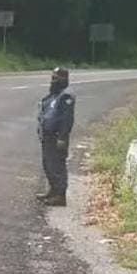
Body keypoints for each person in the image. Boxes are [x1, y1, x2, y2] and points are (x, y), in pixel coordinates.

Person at [36, 67, 75, 206]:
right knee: (48, 164)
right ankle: (53, 191)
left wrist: (62, 137)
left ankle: (60, 195)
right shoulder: (54, 95)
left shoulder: (66, 96)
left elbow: (67, 119)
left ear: (64, 80)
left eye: (56, 78)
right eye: (52, 78)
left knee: (57, 165)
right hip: (48, 136)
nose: (53, 81)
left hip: (57, 136)